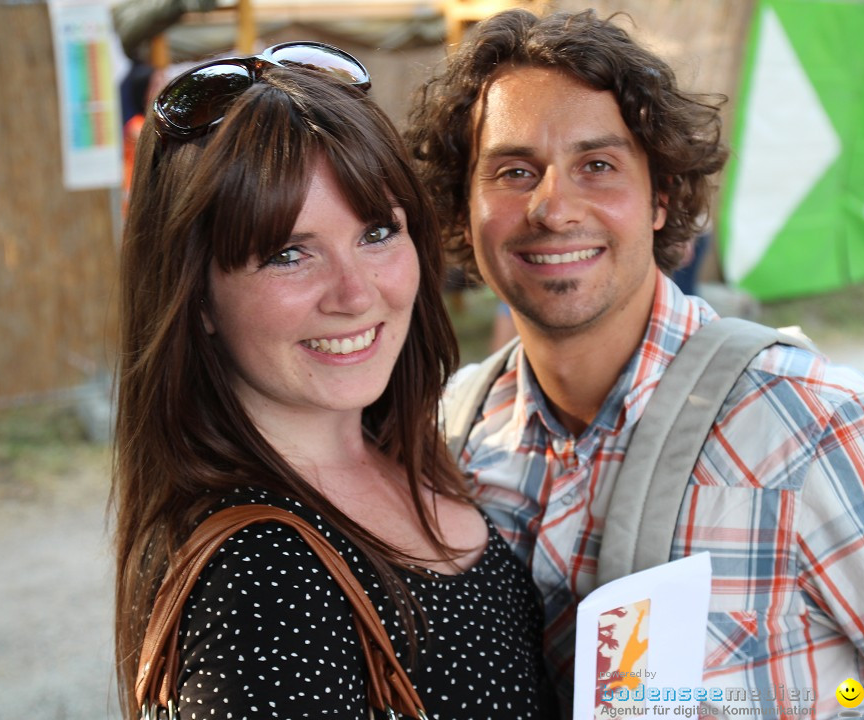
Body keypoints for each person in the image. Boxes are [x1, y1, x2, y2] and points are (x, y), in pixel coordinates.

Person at [405, 9, 864, 717]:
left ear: (659, 198)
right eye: (513, 171)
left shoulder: (812, 428)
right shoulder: (450, 433)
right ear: (461, 207)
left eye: (598, 165)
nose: (552, 206)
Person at [113, 42, 552, 719]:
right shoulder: (258, 581)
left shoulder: (419, 446)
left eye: (376, 233)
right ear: (195, 297)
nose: (354, 293)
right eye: (290, 253)